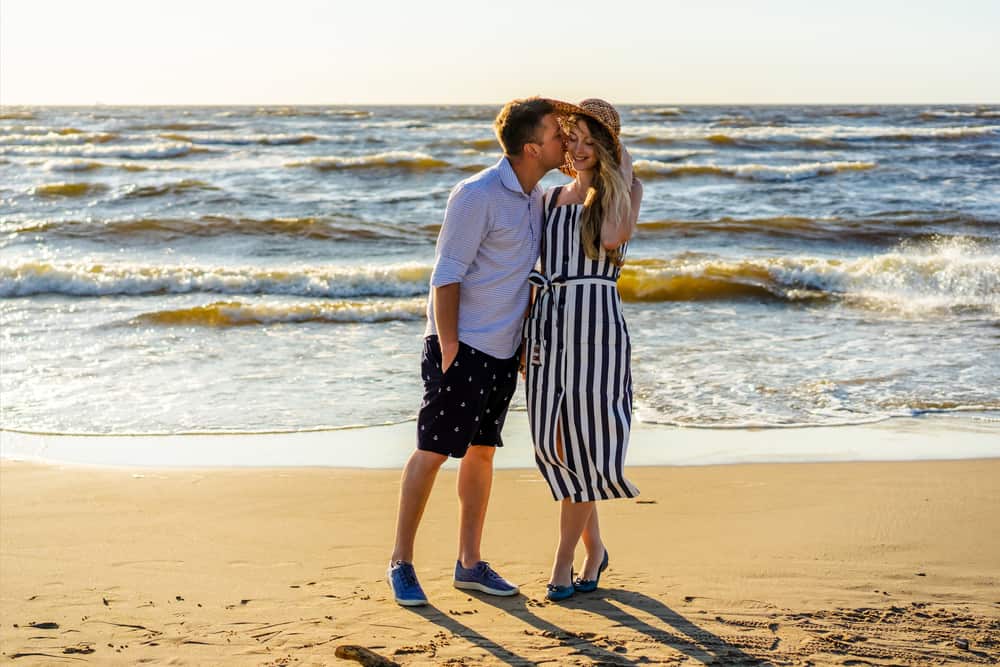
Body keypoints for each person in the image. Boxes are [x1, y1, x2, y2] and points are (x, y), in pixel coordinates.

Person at [387, 97, 568, 606]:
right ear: (532, 147)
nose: (563, 139)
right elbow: (446, 275)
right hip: (461, 346)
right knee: (434, 451)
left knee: (483, 452)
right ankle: (401, 561)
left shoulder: (539, 197)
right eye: (557, 133)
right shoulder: (476, 194)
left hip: (504, 349)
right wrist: (448, 348)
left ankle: (469, 563)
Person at [523, 99, 644, 601]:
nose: (580, 148)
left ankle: (564, 560)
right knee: (555, 444)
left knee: (586, 445)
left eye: (594, 141)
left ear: (609, 146)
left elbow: (614, 235)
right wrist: (522, 338)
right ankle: (596, 548)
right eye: (575, 138)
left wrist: (624, 169)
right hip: (549, 329)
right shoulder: (548, 199)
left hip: (597, 330)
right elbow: (530, 269)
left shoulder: (625, 191)